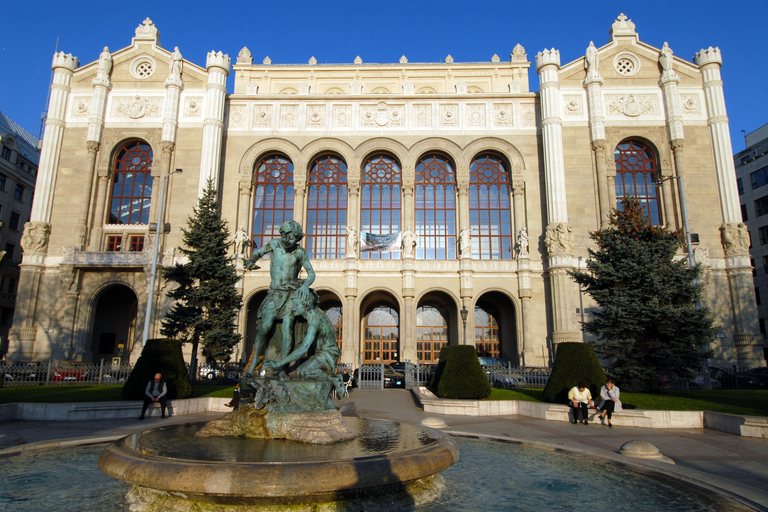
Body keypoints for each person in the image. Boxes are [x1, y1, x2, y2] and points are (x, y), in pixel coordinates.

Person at [243, 220, 315, 377]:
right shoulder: (274, 244)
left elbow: (311, 273)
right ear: (283, 234)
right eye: (289, 238)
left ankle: (282, 369)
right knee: (265, 327)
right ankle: (253, 364)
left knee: (287, 329)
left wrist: (304, 286)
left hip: (291, 293)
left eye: (295, 239)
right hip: (275, 293)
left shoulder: (300, 252)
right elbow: (258, 252)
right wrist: (252, 261)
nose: (292, 242)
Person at [263, 290, 345, 398]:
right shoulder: (312, 315)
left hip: (328, 353)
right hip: (320, 352)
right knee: (301, 372)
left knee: (304, 372)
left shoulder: (315, 318)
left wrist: (278, 364)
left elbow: (304, 347)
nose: (293, 308)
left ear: (305, 305)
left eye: (296, 305)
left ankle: (334, 379)